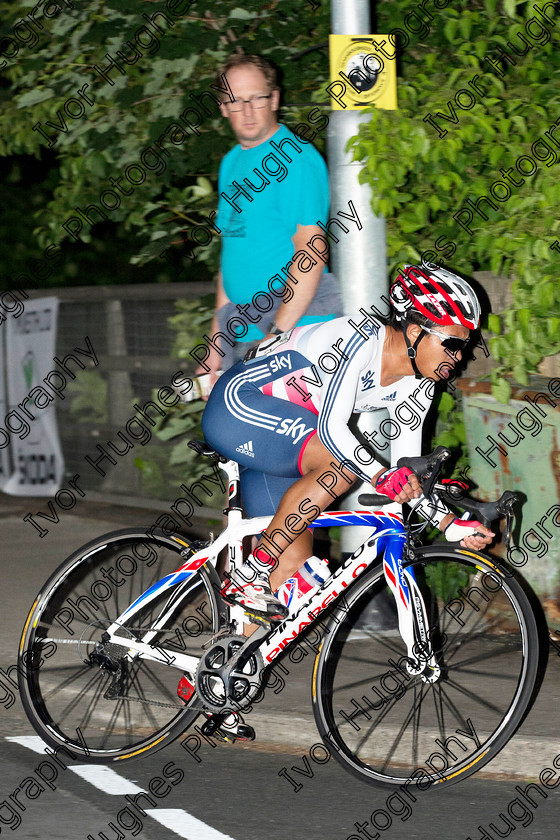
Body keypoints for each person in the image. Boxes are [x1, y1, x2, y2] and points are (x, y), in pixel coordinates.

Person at [202, 263, 494, 625]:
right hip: (240, 403)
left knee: (288, 583)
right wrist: (380, 475)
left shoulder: (420, 384)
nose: (460, 356)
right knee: (340, 469)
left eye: (466, 346)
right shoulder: (361, 338)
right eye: (452, 344)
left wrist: (450, 523)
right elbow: (331, 429)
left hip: (284, 439)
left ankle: (217, 673)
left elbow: (405, 474)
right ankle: (248, 574)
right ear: (416, 331)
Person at [197, 53, 342, 382]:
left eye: (256, 98)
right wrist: (216, 346)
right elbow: (230, 258)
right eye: (236, 101)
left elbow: (313, 250)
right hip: (248, 336)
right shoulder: (231, 163)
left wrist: (277, 335)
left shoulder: (294, 158)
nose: (247, 110)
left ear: (274, 99)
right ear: (223, 107)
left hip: (296, 335)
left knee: (303, 434)